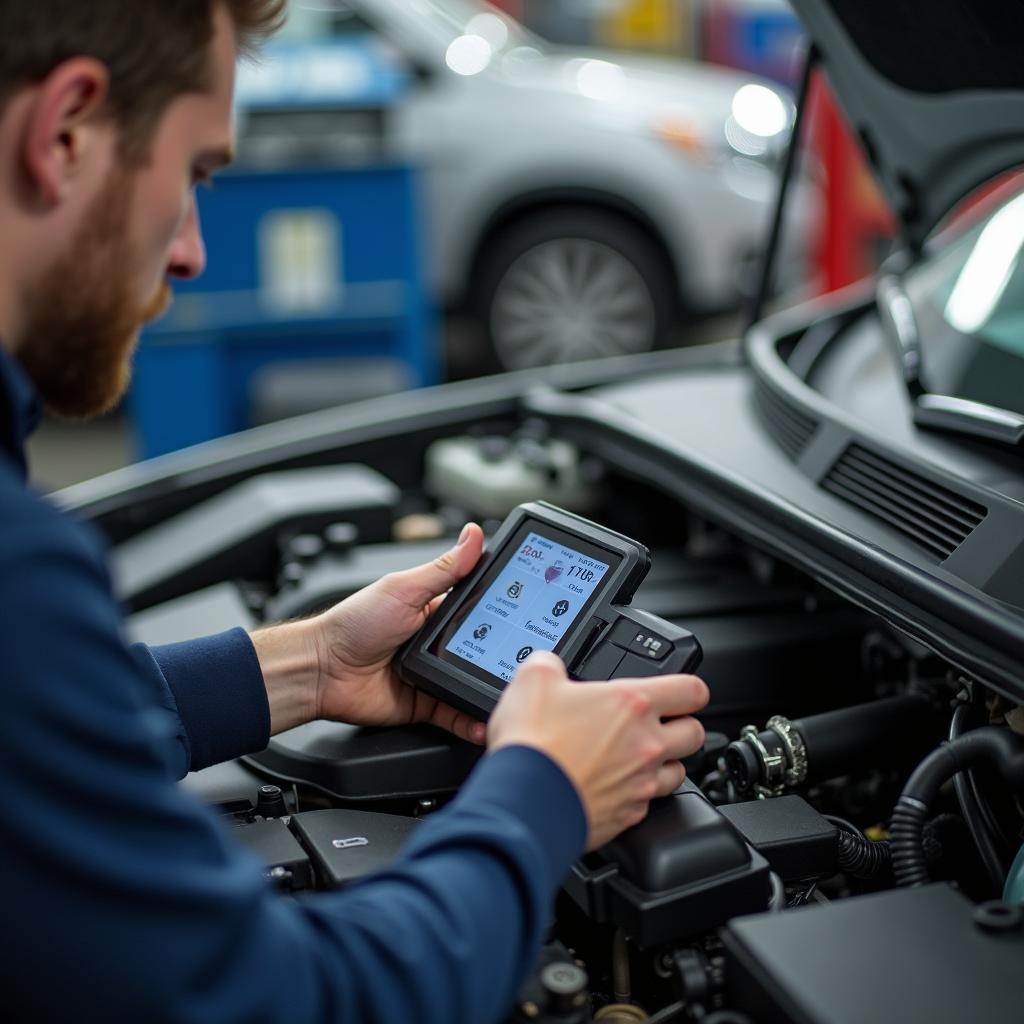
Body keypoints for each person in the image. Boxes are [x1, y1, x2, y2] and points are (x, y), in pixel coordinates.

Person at [0, 2, 709, 1020]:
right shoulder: (19, 567)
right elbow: (292, 1002)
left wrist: (308, 665)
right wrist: (542, 793)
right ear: (65, 132)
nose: (193, 249)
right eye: (196, 173)